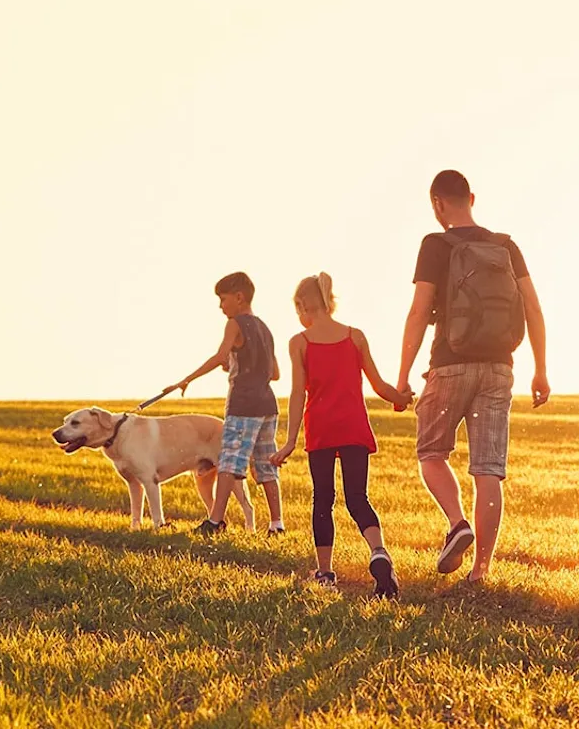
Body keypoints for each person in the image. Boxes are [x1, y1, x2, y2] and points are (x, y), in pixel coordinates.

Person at [395, 170, 550, 583]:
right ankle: (480, 570)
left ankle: (456, 522)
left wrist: (402, 375)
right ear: (472, 198)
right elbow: (533, 309)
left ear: (437, 204)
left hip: (450, 363)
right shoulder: (505, 246)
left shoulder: (435, 245)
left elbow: (418, 312)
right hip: (500, 368)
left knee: (431, 453)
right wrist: (541, 369)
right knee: (488, 469)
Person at [271, 273, 411, 595]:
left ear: (304, 306)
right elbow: (379, 386)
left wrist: (290, 441)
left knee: (323, 500)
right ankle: (378, 552)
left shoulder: (300, 343)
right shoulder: (355, 336)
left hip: (321, 430)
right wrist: (401, 399)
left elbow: (297, 394)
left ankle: (324, 573)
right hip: (353, 428)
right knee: (358, 498)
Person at [170, 271, 284, 535]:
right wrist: (236, 363)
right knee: (266, 464)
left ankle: (215, 521)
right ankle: (277, 524)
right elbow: (275, 373)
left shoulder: (235, 324)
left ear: (239, 297)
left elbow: (220, 354)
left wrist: (188, 378)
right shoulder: (265, 328)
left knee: (230, 462)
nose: (221, 306)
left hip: (243, 405)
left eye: (223, 299)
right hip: (267, 405)